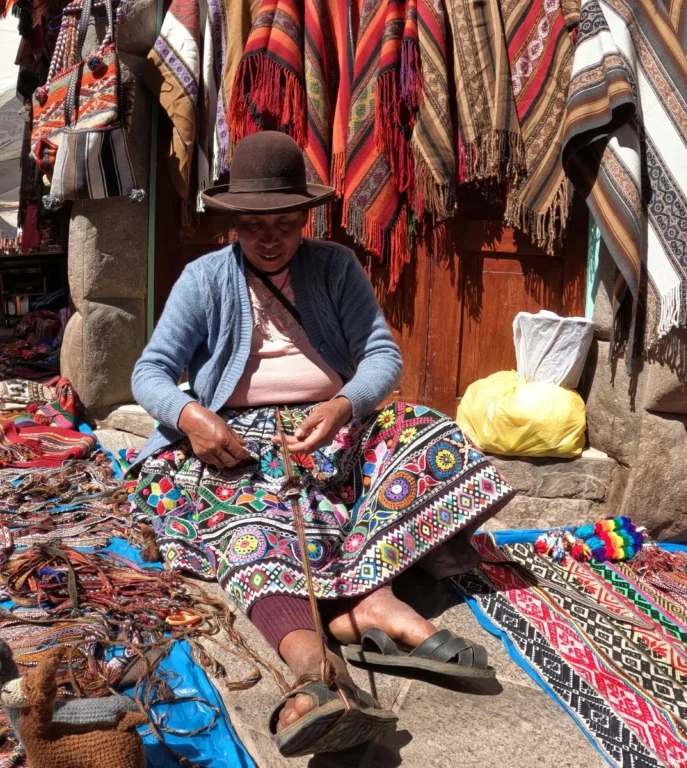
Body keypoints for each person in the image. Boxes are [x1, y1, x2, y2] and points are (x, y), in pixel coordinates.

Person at [129, 131, 514, 757]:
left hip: (332, 423)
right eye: (255, 226)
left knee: (430, 436)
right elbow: (150, 372)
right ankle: (315, 666)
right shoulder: (204, 279)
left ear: (306, 218)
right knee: (264, 514)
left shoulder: (334, 266)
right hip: (236, 435)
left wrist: (342, 406)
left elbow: (381, 354)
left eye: (285, 223)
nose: (270, 238)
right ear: (234, 222)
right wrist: (192, 415)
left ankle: (368, 604)